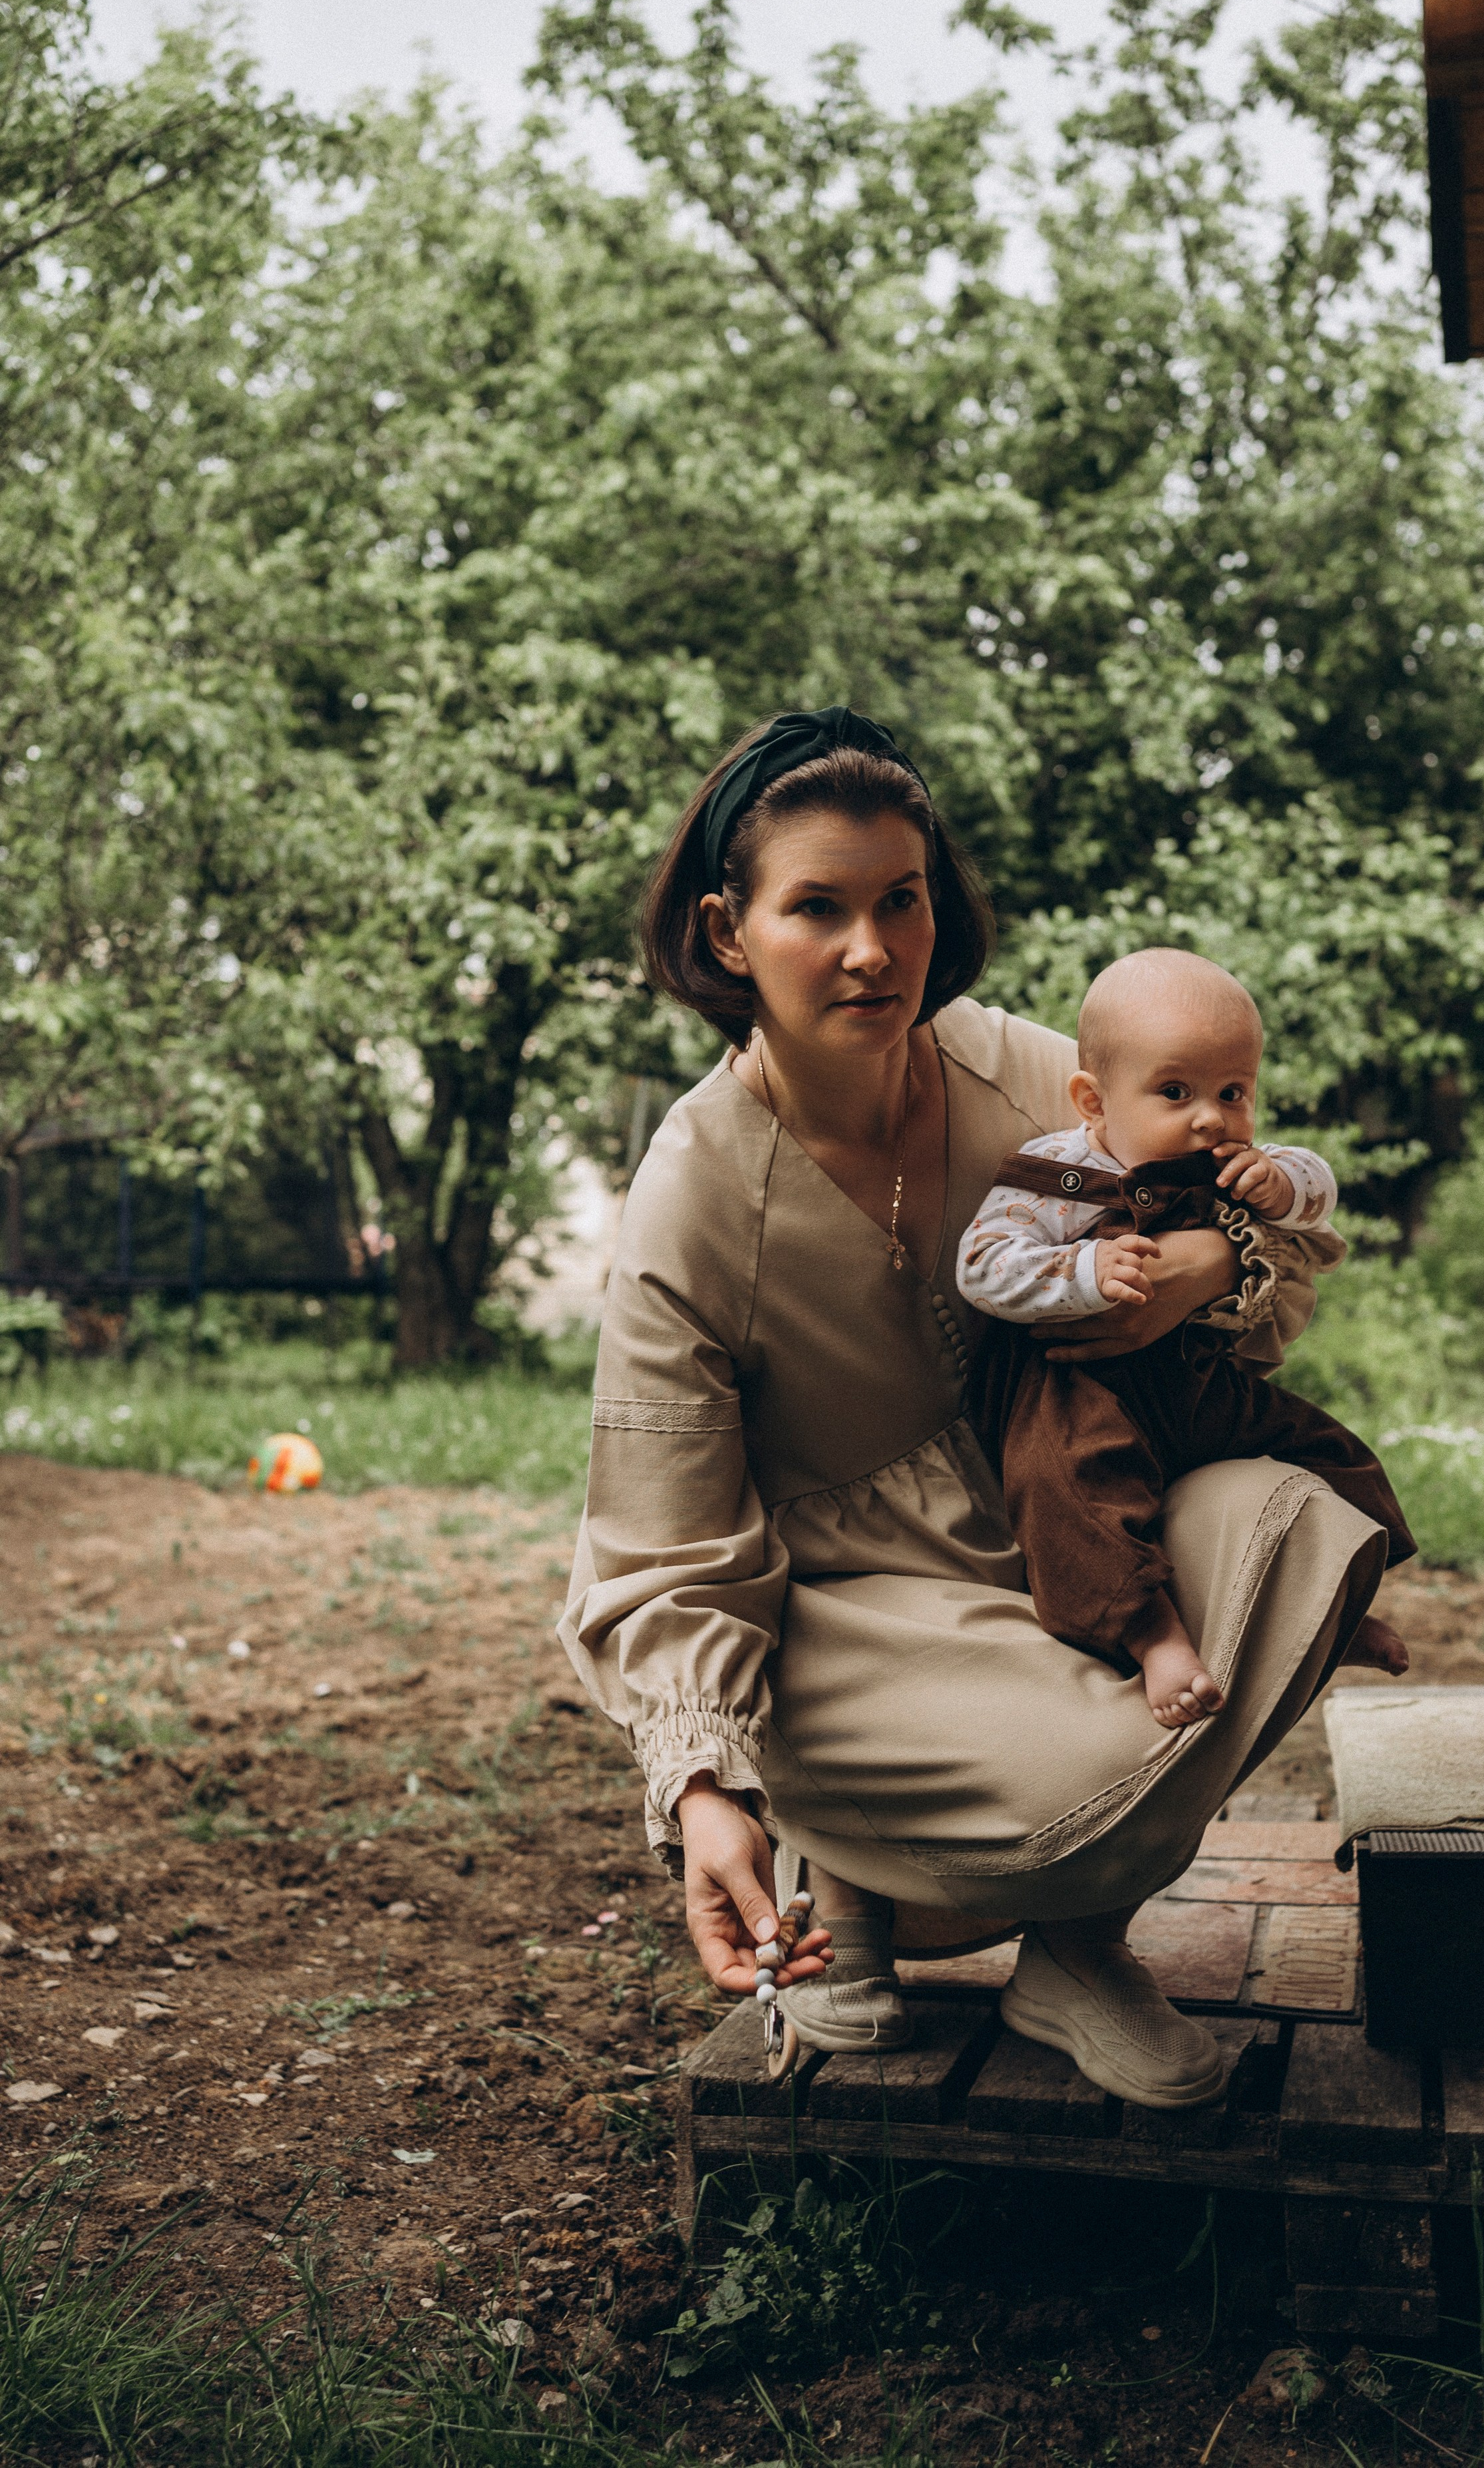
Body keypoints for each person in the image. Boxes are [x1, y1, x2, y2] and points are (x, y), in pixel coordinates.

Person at [558, 706, 1398, 2111]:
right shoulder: (692, 1190)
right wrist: (706, 1794)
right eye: (815, 907)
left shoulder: (1023, 1072)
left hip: (1060, 1513)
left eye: (901, 900)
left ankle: (1074, 1950)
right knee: (1108, 1766)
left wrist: (1203, 1265)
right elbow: (662, 1538)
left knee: (1293, 1527)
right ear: (725, 933)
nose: (873, 949)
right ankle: (857, 1877)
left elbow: (1247, 1227)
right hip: (844, 1609)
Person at [957, 947, 1414, 1729]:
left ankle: (1334, 1604)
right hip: (1081, 1388)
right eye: (1175, 1092)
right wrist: (1082, 1269)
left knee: (1325, 1448)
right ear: (1093, 1102)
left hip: (1194, 1380)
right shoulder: (1056, 1177)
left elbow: (1315, 1188)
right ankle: (1151, 1633)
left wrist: (1284, 1184)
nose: (1210, 1117)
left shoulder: (1233, 1164)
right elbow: (979, 1266)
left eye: (1233, 1092)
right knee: (1072, 1492)